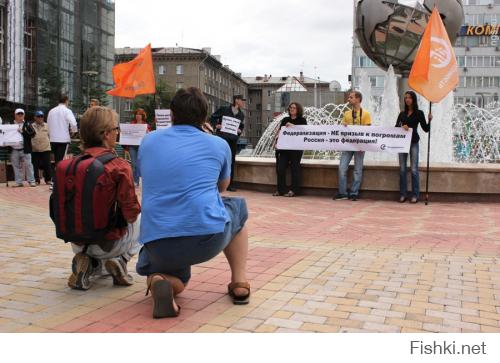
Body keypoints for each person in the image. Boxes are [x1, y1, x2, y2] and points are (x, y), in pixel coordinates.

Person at [137, 87, 250, 319]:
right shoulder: (218, 145)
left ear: (172, 113)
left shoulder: (148, 141)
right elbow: (221, 188)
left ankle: (161, 281)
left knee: (169, 274)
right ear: (205, 115)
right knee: (237, 208)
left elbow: (147, 176)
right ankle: (239, 282)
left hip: (158, 242)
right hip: (205, 238)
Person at [64, 106, 141, 290]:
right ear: (106, 134)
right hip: (109, 243)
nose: (118, 133)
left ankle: (89, 264)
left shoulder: (70, 165)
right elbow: (131, 213)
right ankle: (120, 260)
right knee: (144, 215)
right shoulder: (119, 166)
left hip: (76, 240)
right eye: (116, 129)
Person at [334, 91, 372, 201]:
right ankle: (343, 193)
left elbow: (368, 131)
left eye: (351, 97)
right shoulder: (346, 114)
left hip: (360, 145)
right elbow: (341, 129)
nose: (348, 99)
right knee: (342, 168)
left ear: (358, 99)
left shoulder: (366, 114)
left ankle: (354, 193)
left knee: (358, 169)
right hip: (348, 144)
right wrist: (344, 126)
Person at [395, 91, 432, 204]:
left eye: (409, 98)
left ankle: (415, 195)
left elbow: (426, 129)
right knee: (402, 169)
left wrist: (429, 120)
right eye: (406, 98)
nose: (407, 100)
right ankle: (403, 194)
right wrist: (402, 126)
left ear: (413, 100)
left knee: (414, 169)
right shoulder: (402, 114)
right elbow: (395, 128)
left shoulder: (419, 113)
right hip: (402, 143)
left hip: (414, 142)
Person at [210, 95, 246, 192]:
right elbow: (212, 117)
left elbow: (241, 126)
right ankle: (215, 183)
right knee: (219, 160)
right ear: (236, 100)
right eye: (242, 100)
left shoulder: (241, 114)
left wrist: (239, 131)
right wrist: (216, 126)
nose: (243, 102)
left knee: (231, 162)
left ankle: (230, 184)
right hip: (222, 139)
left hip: (232, 141)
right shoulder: (224, 109)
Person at [273, 102, 307, 197]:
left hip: (296, 149)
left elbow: (305, 132)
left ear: (298, 110)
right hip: (284, 148)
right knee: (280, 168)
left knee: (295, 169)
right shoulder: (285, 120)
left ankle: (294, 190)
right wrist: (276, 142)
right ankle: (281, 190)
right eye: (290, 107)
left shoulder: (302, 120)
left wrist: (293, 126)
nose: (291, 109)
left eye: (294, 108)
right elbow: (280, 132)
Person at [8, 109, 37, 187]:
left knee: (29, 165)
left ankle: (31, 181)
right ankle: (19, 182)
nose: (20, 115)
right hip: (14, 149)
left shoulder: (27, 124)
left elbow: (33, 134)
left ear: (24, 115)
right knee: (16, 166)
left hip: (25, 148)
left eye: (22, 114)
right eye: (18, 114)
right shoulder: (10, 124)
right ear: (15, 115)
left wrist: (23, 132)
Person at [47, 95, 78, 166]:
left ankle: (54, 175)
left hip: (52, 139)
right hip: (63, 139)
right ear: (66, 101)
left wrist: (49, 135)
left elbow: (48, 125)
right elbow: (73, 123)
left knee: (54, 160)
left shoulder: (51, 111)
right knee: (60, 161)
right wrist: (74, 131)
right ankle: (58, 176)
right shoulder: (67, 111)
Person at [126, 108, 150, 187]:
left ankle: (136, 181)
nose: (138, 116)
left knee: (138, 164)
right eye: (136, 114)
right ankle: (134, 181)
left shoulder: (145, 125)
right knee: (133, 164)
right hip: (132, 146)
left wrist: (147, 132)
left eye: (139, 114)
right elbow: (127, 134)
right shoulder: (132, 124)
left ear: (142, 116)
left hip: (141, 147)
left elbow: (149, 135)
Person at [31, 110, 53, 186]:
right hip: (35, 149)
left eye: (41, 116)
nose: (40, 118)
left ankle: (48, 180)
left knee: (47, 165)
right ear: (35, 117)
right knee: (35, 166)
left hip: (45, 148)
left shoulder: (47, 126)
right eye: (38, 116)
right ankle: (36, 180)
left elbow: (50, 136)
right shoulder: (31, 126)